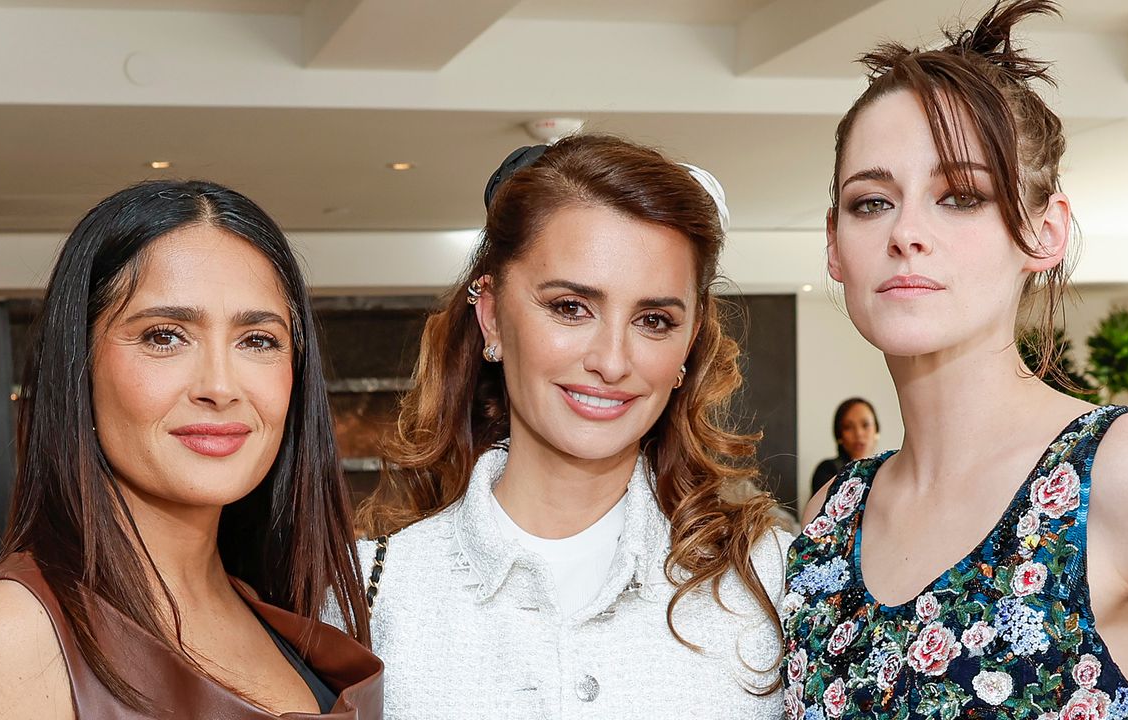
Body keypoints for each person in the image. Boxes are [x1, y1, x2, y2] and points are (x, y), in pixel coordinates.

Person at [781, 2, 1128, 719]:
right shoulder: (830, 518)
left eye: (960, 197)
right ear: (833, 244)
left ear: (1043, 232)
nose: (907, 233)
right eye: (871, 202)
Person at [335, 134, 790, 718]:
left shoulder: (770, 579)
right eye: (571, 308)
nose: (613, 360)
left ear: (689, 345)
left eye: (654, 320)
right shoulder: (365, 594)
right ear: (493, 315)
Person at [0, 180, 382, 718]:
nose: (220, 386)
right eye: (165, 335)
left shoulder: (274, 613)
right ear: (79, 370)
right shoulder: (13, 633)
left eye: (258, 340)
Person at [809, 397, 880, 496]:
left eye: (865, 425)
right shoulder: (828, 470)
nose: (858, 433)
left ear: (876, 431)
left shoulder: (886, 470)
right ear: (839, 435)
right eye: (848, 427)